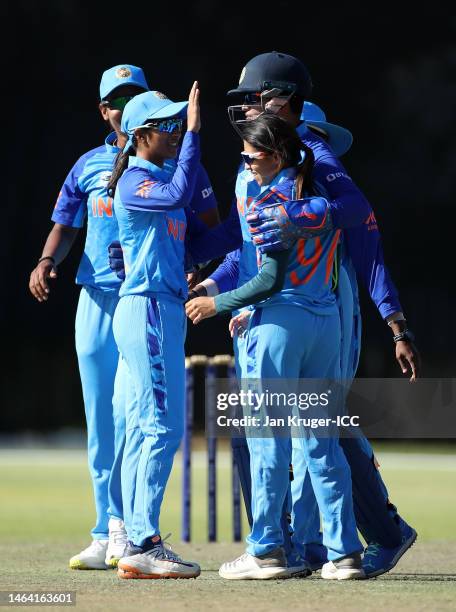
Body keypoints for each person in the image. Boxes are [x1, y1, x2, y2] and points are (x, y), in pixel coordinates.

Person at [227, 52, 419, 577]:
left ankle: (331, 540)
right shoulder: (259, 171)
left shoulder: (311, 155)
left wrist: (393, 319)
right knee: (314, 426)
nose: (248, 112)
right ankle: (324, 543)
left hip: (323, 308)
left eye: (256, 99)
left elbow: (363, 228)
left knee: (317, 426)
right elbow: (242, 245)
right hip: (292, 310)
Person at [187, 113, 365, 581]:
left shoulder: (269, 201)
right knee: (321, 442)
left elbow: (268, 278)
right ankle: (344, 552)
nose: (243, 163)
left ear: (275, 155)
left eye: (250, 155)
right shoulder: (317, 197)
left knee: (269, 442)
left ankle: (267, 551)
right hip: (325, 325)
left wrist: (217, 303)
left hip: (279, 328)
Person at [29, 65, 150, 570]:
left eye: (134, 96)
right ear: (104, 110)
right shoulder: (88, 164)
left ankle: (126, 529)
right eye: (116, 100)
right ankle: (103, 532)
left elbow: (201, 223)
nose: (125, 106)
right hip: (92, 299)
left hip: (139, 300)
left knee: (127, 416)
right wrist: (45, 261)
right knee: (101, 421)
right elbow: (65, 224)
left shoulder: (161, 159)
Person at [108, 84, 202, 580]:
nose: (172, 131)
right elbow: (178, 193)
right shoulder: (136, 182)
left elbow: (199, 232)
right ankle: (142, 541)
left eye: (176, 123)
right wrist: (192, 134)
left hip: (159, 309)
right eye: (165, 126)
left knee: (149, 427)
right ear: (140, 135)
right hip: (146, 310)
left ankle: (136, 538)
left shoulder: (158, 177)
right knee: (160, 426)